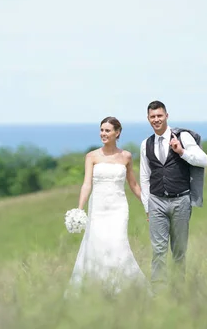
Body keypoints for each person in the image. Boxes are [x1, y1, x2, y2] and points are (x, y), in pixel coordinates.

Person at [67, 116, 148, 295]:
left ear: (117, 133)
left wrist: (147, 206)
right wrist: (79, 209)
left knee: (118, 243)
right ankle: (99, 288)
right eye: (102, 130)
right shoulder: (92, 156)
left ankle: (121, 289)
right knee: (97, 244)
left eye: (107, 130)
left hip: (118, 209)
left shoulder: (126, 156)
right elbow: (86, 184)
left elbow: (133, 185)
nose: (103, 133)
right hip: (98, 209)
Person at [139, 100, 207, 291]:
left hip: (181, 200)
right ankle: (158, 291)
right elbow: (145, 178)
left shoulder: (183, 136)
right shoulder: (146, 144)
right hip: (156, 202)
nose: (156, 120)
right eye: (152, 117)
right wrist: (147, 207)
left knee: (179, 250)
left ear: (166, 116)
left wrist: (182, 152)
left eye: (159, 116)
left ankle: (179, 290)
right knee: (158, 250)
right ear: (148, 119)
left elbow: (203, 160)